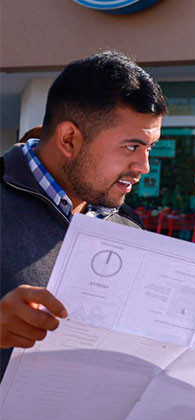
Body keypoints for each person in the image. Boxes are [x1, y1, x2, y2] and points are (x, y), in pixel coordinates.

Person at [0, 51, 168, 381]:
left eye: (150, 148)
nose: (143, 167)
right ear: (68, 139)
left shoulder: (129, 227)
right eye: (131, 147)